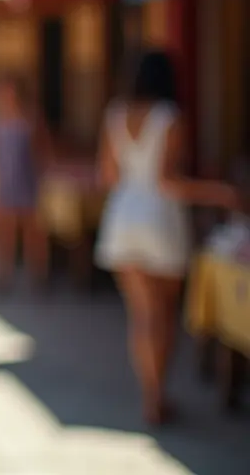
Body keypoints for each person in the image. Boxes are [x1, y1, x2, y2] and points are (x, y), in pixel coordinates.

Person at [95, 49, 238, 425]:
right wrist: (220, 192)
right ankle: (159, 395)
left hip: (122, 214)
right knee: (164, 316)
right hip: (159, 218)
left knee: (142, 316)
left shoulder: (114, 115)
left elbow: (108, 176)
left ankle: (150, 395)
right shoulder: (169, 118)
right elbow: (167, 181)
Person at [0, 73, 51, 291]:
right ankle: (1, 275)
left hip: (28, 181)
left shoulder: (30, 116)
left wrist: (42, 178)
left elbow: (42, 150)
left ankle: (37, 277)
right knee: (2, 233)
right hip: (1, 184)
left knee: (33, 232)